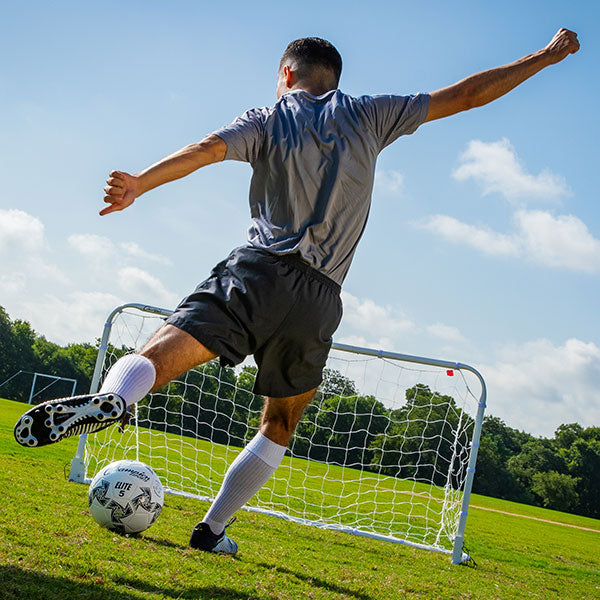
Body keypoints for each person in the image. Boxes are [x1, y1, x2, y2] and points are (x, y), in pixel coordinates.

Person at [15, 30, 579, 554]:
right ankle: (212, 531)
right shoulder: (370, 113)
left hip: (259, 270)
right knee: (280, 422)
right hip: (319, 298)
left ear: (287, 75)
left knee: (163, 350)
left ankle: (117, 399)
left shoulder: (267, 117)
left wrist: (140, 183)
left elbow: (207, 148)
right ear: (333, 77)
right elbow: (464, 96)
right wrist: (544, 57)